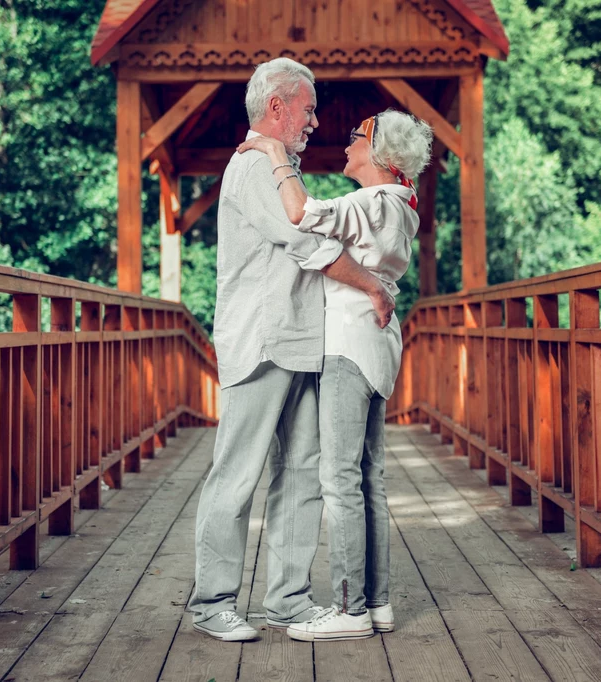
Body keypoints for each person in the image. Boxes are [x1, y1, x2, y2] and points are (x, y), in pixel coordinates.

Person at [188, 58, 396, 642]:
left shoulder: (283, 170)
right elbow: (306, 242)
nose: (314, 119)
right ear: (277, 107)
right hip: (261, 339)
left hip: (304, 342)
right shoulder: (254, 165)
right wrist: (373, 286)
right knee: (237, 476)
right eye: (307, 108)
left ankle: (286, 599)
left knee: (302, 474)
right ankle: (212, 604)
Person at [237, 110, 433, 641]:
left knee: (339, 478)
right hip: (377, 344)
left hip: (347, 345)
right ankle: (378, 602)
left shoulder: (369, 202)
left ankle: (350, 609)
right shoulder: (399, 207)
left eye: (356, 138)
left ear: (382, 155)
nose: (346, 143)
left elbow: (299, 212)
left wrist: (273, 153)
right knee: (369, 476)